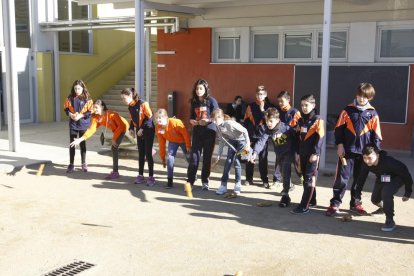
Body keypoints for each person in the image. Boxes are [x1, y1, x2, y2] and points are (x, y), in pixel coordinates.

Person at [325, 83, 382, 216]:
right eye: (359, 95)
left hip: (364, 155)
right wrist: (339, 145)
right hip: (347, 152)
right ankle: (335, 203)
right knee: (341, 179)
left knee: (359, 180)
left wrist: (376, 153)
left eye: (364, 96)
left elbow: (377, 136)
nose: (361, 98)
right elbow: (338, 129)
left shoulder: (373, 114)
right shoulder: (347, 110)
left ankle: (355, 203)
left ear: (370, 97)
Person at [358, 143, 412, 231]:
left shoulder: (389, 162)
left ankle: (390, 220)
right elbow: (361, 178)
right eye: (364, 158)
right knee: (375, 199)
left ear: (377, 155)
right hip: (384, 177)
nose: (367, 161)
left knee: (386, 192)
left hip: (398, 177)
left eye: (370, 158)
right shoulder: (366, 163)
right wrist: (357, 195)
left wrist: (408, 192)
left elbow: (406, 174)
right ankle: (384, 208)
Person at [70, 100, 129, 180]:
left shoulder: (112, 114)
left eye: (96, 107)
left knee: (114, 147)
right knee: (119, 145)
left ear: (102, 107)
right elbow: (91, 129)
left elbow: (121, 126)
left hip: (123, 127)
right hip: (115, 129)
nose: (94, 109)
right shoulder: (96, 117)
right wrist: (80, 139)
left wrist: (114, 139)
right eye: (94, 107)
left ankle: (115, 172)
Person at [250, 107, 297, 207]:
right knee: (284, 173)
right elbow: (261, 141)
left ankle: (285, 196)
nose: (268, 123)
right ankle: (290, 185)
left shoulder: (286, 128)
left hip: (289, 153)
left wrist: (298, 153)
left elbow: (297, 138)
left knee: (286, 169)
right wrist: (254, 153)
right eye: (267, 121)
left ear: (277, 119)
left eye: (270, 121)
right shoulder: (268, 130)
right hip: (279, 154)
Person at [291, 94, 324, 214]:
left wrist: (315, 153)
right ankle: (312, 200)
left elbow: (320, 138)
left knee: (309, 179)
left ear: (313, 105)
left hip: (312, 156)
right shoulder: (300, 120)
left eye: (306, 105)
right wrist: (297, 153)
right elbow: (297, 137)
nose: (304, 107)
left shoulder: (318, 119)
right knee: (305, 178)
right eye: (302, 105)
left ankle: (304, 206)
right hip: (302, 154)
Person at [186, 79, 219, 190]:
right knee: (194, 157)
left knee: (207, 158)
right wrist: (192, 121)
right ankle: (190, 180)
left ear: (205, 89)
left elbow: (217, 117)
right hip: (197, 132)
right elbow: (191, 116)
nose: (198, 90)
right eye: (197, 88)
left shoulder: (211, 101)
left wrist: (208, 121)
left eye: (201, 88)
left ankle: (205, 180)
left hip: (209, 132)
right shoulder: (194, 101)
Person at [121, 88, 156, 186]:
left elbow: (150, 117)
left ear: (130, 96)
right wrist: (131, 128)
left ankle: (151, 177)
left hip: (148, 130)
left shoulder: (143, 103)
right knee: (141, 153)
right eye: (122, 99)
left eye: (124, 98)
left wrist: (142, 129)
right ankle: (140, 175)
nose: (123, 100)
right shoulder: (130, 106)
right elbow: (132, 120)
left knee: (148, 154)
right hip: (139, 131)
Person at [211, 108, 250, 195]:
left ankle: (238, 184)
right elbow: (221, 140)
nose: (214, 122)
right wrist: (219, 155)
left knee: (237, 162)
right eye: (212, 120)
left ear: (221, 117)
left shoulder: (230, 123)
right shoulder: (218, 126)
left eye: (215, 120)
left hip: (241, 141)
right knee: (228, 161)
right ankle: (223, 185)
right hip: (232, 141)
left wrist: (248, 145)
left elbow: (245, 131)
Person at [243, 85, 273, 187]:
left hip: (263, 136)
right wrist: (246, 135)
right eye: (258, 94)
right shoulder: (250, 106)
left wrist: (262, 109)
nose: (260, 96)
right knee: (249, 157)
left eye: (262, 94)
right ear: (256, 95)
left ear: (265, 95)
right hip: (251, 136)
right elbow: (246, 121)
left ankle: (264, 180)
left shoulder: (269, 107)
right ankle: (248, 179)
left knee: (263, 159)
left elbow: (269, 121)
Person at [154, 108, 191, 189]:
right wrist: (162, 157)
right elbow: (161, 143)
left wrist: (188, 145)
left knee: (188, 158)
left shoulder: (175, 122)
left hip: (183, 141)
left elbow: (185, 134)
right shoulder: (158, 128)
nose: (158, 120)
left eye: (160, 117)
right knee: (170, 159)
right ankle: (170, 181)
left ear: (166, 117)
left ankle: (192, 175)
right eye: (156, 118)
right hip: (172, 142)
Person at [63, 80, 93, 173]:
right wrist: (71, 114)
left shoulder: (88, 99)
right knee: (72, 144)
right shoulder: (70, 98)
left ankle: (83, 163)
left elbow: (90, 111)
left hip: (83, 124)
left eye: (79, 88)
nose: (77, 90)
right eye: (75, 88)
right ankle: (71, 164)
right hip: (73, 124)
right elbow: (66, 109)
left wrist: (81, 115)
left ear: (83, 88)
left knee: (82, 144)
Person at [273, 90, 301, 189]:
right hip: (280, 142)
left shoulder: (295, 112)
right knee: (281, 162)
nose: (280, 103)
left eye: (282, 101)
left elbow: (297, 128)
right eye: (279, 101)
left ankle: (302, 176)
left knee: (297, 162)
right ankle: (280, 181)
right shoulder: (277, 111)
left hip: (293, 142)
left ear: (288, 100)